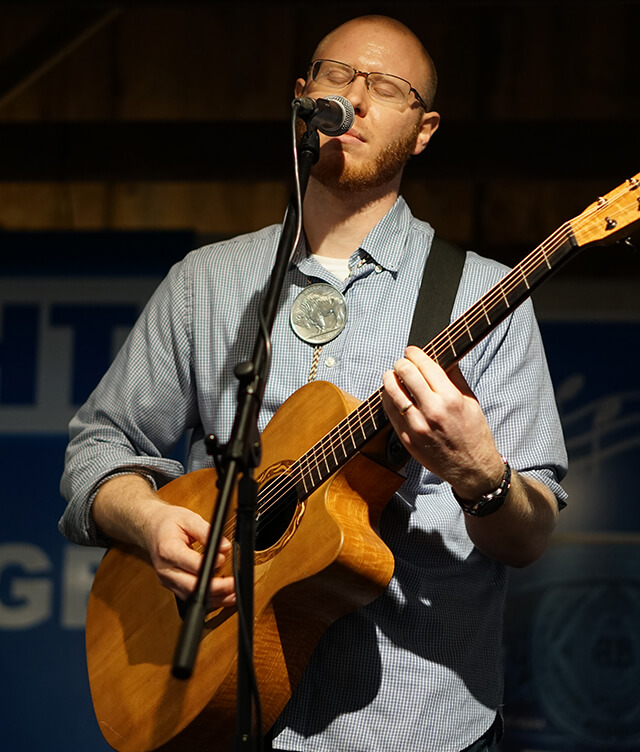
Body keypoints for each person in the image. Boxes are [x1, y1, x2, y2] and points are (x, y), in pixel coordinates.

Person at [60, 14, 567, 752]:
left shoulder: (486, 299)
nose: (356, 99)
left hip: (418, 726)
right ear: (303, 98)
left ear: (424, 130)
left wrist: (482, 476)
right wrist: (149, 521)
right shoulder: (208, 282)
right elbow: (98, 447)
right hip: (220, 705)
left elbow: (530, 534)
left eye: (386, 87)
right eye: (338, 77)